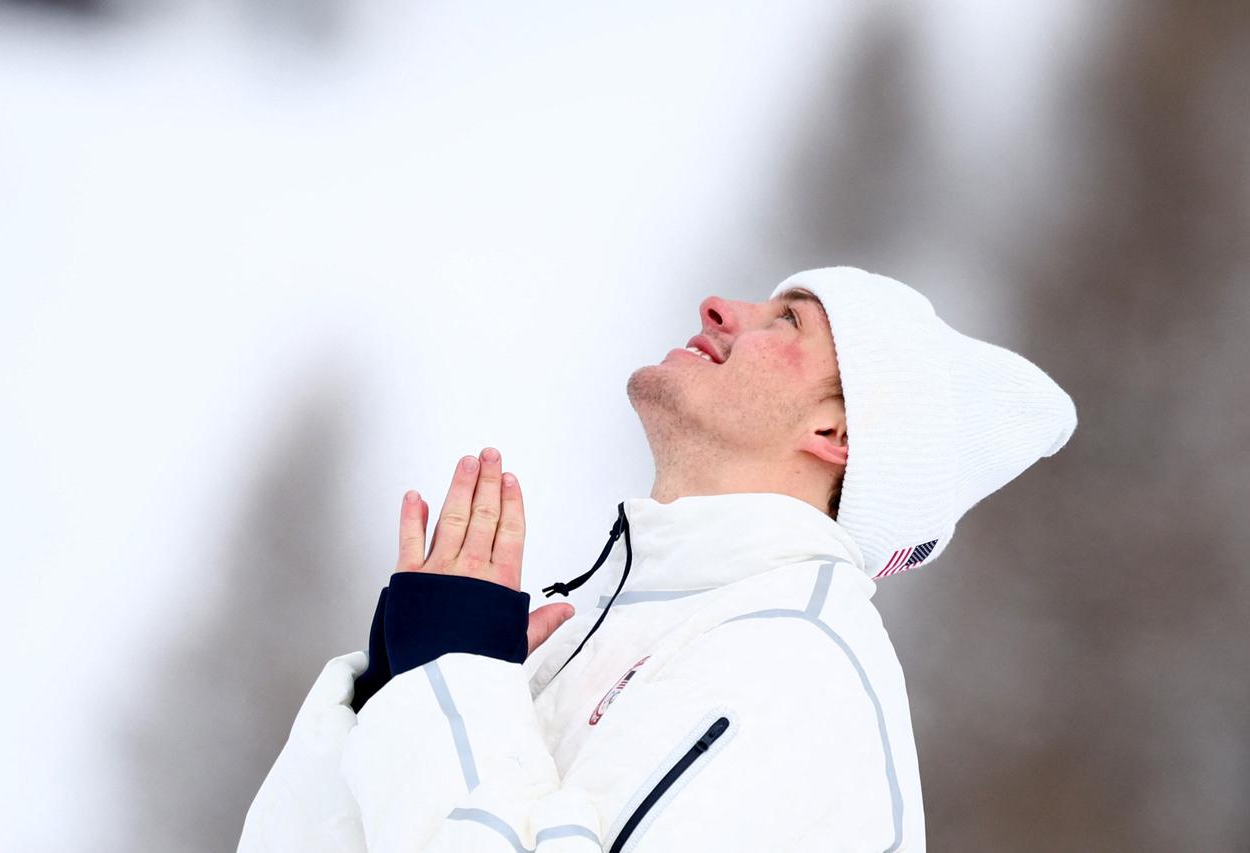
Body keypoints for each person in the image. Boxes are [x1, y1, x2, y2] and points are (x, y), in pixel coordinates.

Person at [237, 266, 1077, 852]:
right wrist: (397, 696)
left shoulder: (798, 680)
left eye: (788, 322)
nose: (718, 307)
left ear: (838, 433)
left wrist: (451, 689)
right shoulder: (605, 634)